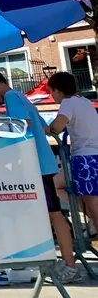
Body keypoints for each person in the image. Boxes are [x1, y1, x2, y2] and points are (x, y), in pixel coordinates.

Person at [0, 70, 81, 285]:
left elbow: (23, 126)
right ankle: (66, 261)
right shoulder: (21, 96)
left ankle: (67, 265)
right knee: (52, 215)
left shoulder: (11, 97)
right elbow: (42, 127)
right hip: (42, 162)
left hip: (35, 164)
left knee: (52, 215)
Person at [47, 71, 98, 249]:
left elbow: (57, 127)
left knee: (92, 203)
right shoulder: (84, 101)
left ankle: (92, 220)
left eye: (51, 92)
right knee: (57, 185)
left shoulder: (67, 103)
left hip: (84, 157)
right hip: (93, 155)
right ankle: (90, 220)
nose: (51, 96)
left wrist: (42, 128)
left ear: (58, 91)